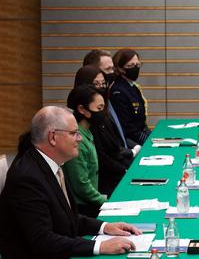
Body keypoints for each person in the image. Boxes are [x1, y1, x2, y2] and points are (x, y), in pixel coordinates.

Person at [0, 106, 142, 258]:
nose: (80, 139)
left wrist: (105, 226)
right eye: (74, 133)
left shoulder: (52, 164)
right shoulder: (27, 178)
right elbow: (43, 241)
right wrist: (100, 246)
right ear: (53, 137)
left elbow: (66, 218)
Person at [74, 66, 139, 196]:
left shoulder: (103, 110)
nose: (101, 87)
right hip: (104, 188)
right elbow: (101, 159)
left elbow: (115, 145)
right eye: (96, 84)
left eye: (103, 83)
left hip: (116, 173)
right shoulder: (82, 131)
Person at [64, 85, 108, 217]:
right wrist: (105, 201)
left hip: (92, 200)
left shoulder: (87, 131)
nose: (103, 112)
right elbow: (81, 184)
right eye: (99, 108)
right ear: (82, 109)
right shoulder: (77, 139)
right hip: (83, 208)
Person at [82, 49, 129, 147]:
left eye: (113, 69)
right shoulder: (90, 105)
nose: (113, 73)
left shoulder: (107, 96)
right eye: (108, 69)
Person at [111, 49, 151, 145]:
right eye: (131, 65)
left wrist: (153, 137)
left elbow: (141, 123)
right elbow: (127, 128)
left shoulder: (133, 87)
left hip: (140, 133)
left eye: (138, 65)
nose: (136, 68)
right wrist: (148, 142)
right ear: (120, 68)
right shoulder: (118, 91)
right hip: (130, 142)